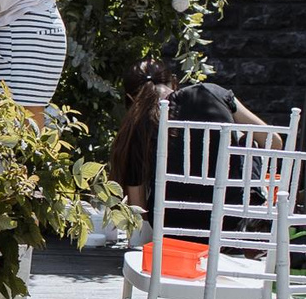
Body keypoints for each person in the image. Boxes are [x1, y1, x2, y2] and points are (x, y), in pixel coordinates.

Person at [107, 58, 269, 230]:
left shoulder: (137, 130)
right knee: (247, 139)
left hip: (168, 225)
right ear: (173, 82)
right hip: (229, 222)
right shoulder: (212, 92)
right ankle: (256, 205)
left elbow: (140, 212)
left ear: (130, 98)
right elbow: (273, 141)